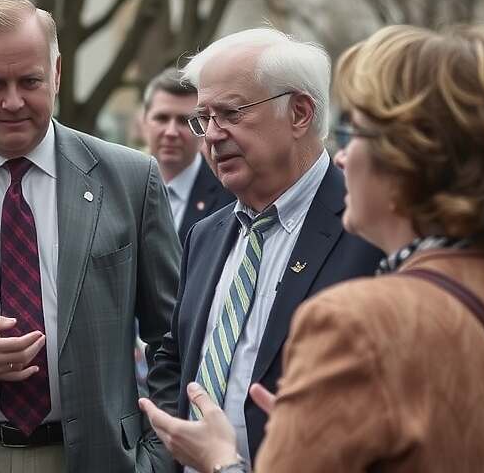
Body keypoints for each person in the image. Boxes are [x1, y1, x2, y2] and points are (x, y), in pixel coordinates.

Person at [143, 24, 484, 472]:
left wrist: (221, 462)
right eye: (204, 118)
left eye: (360, 133)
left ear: (413, 157)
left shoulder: (358, 309)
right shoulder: (206, 233)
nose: (344, 155)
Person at [0, 0, 181, 473]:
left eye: (29, 81)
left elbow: (171, 338)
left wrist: (158, 455)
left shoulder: (130, 179)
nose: (13, 102)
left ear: (57, 73)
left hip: (104, 459)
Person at [147, 28, 382, 468]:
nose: (212, 135)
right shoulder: (206, 234)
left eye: (231, 113)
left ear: (299, 113)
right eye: (204, 118)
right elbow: (174, 357)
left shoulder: (368, 232)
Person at [141, 67, 233, 244]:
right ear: (144, 121)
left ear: (203, 125)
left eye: (184, 121)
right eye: (161, 118)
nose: (171, 132)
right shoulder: (123, 188)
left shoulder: (229, 193)